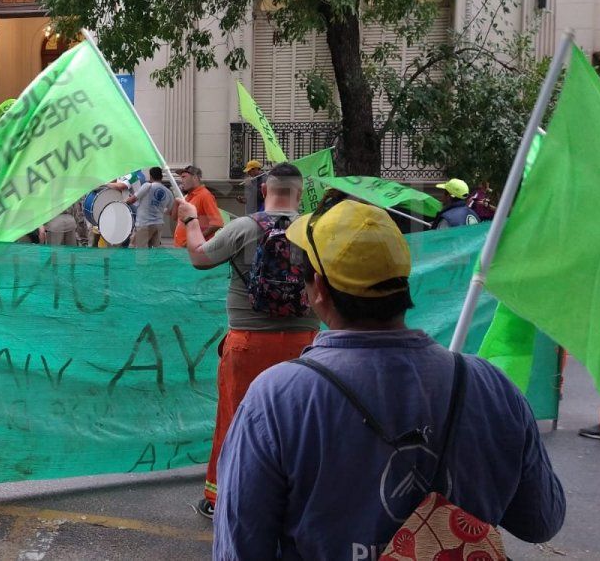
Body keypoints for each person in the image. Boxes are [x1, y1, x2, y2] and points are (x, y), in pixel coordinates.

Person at [212, 199, 565, 558]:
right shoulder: (491, 386)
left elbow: (239, 547)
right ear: (402, 283)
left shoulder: (276, 398)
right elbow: (541, 521)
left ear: (318, 288)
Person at [176, 163, 319, 519]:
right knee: (300, 424)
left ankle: (222, 500)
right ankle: (295, 500)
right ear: (299, 193)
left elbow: (199, 257)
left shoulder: (243, 227)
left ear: (265, 190)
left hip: (247, 344)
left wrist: (190, 220)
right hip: (305, 346)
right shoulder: (316, 229)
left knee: (236, 420)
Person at [172, 164, 222, 248]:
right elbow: (175, 217)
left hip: (194, 249)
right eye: (181, 178)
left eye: (184, 177)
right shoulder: (187, 196)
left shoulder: (205, 195)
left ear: (195, 177)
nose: (181, 181)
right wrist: (176, 198)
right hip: (181, 248)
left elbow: (217, 224)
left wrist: (194, 240)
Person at [127, 167, 175, 248]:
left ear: (151, 176)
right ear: (161, 177)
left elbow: (131, 200)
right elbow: (171, 210)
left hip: (144, 224)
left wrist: (125, 200)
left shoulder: (147, 186)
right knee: (154, 251)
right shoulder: (168, 192)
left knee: (136, 249)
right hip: (158, 224)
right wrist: (159, 209)